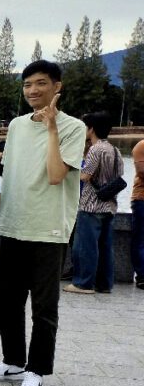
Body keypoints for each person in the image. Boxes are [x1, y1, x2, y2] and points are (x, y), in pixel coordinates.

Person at [0, 60, 86, 386]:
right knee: (8, 304)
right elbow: (12, 175)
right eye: (27, 85)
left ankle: (36, 371)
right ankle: (13, 361)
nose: (33, 90)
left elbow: (55, 175)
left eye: (41, 83)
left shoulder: (73, 127)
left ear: (58, 87)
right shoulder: (17, 125)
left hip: (48, 229)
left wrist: (52, 128)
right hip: (12, 224)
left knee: (44, 308)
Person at [66, 112, 123, 295]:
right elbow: (119, 175)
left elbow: (86, 175)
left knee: (85, 246)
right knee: (105, 247)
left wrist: (73, 170)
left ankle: (83, 283)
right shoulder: (114, 150)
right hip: (109, 204)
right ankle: (104, 283)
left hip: (91, 205)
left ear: (91, 128)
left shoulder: (95, 149)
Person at [131, 138, 144, 290]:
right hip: (142, 199)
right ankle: (142, 276)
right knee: (140, 240)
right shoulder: (141, 146)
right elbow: (141, 171)